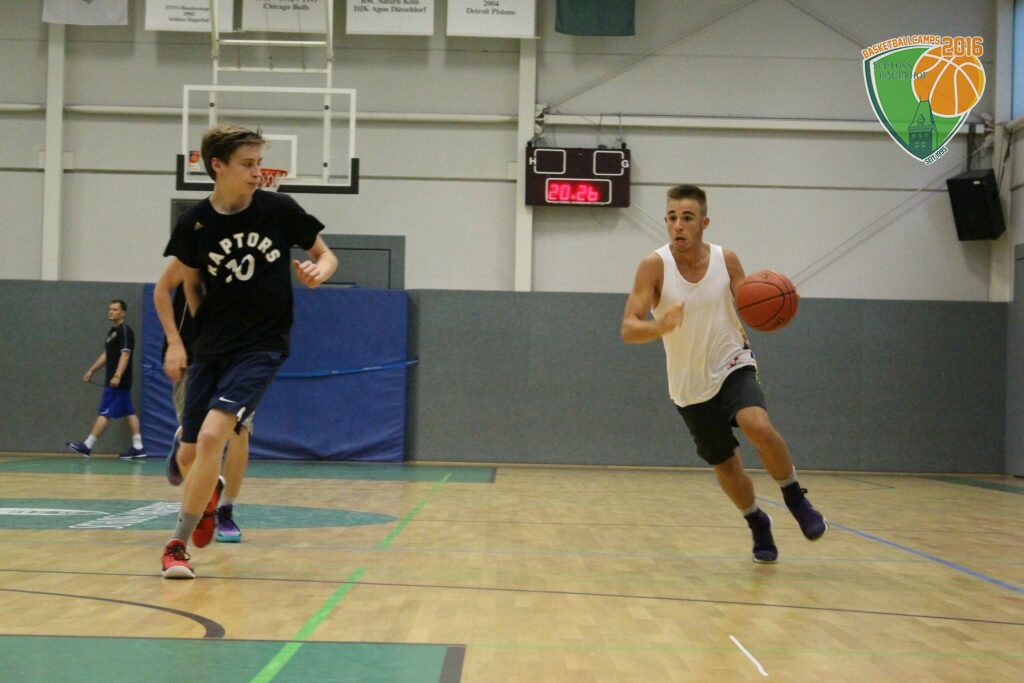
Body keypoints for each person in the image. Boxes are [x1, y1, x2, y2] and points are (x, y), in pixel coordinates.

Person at [154, 124, 338, 579]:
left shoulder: (278, 210)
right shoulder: (195, 223)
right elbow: (189, 284)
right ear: (218, 166)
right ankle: (208, 495)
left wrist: (320, 271)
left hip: (262, 345)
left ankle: (176, 546)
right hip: (211, 348)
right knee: (189, 455)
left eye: (259, 164)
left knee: (214, 437)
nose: (258, 173)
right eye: (248, 165)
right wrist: (185, 340)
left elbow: (326, 254)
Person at [620, 184, 827, 563]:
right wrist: (660, 325)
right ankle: (757, 521)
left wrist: (775, 305)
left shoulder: (725, 259)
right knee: (727, 465)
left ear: (704, 223)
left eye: (687, 218)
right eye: (672, 217)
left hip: (733, 362)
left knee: (757, 425)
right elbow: (629, 328)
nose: (678, 225)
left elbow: (750, 303)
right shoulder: (654, 266)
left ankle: (796, 498)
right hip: (689, 384)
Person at [162, 281, 250, 543]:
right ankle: (185, 448)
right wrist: (173, 343)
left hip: (239, 359)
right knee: (195, 446)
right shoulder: (191, 262)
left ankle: (226, 509)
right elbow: (161, 290)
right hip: (194, 358)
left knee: (240, 431)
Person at [67, 299, 147, 460]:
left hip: (118, 381)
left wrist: (117, 375)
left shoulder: (125, 332)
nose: (111, 311)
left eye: (115, 309)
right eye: (110, 309)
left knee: (105, 412)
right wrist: (92, 370)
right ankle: (138, 447)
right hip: (114, 379)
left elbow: (125, 354)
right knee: (129, 411)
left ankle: (87, 445)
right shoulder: (112, 332)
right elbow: (106, 355)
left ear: (123, 312)